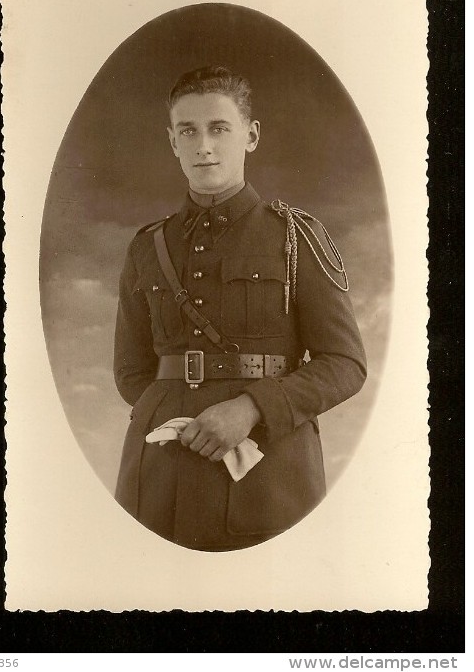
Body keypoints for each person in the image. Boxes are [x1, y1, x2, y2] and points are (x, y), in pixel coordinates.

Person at [113, 65, 367, 551]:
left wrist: (251, 408)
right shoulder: (147, 248)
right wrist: (180, 422)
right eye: (188, 131)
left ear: (250, 136)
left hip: (267, 473)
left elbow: (346, 365)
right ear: (172, 142)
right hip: (159, 476)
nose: (203, 144)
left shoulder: (296, 237)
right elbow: (131, 372)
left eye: (218, 128)